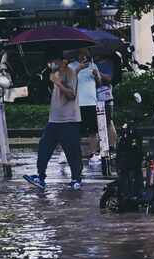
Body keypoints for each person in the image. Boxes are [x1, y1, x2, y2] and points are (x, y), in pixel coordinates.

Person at [23, 50, 82, 190]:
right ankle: (40, 176)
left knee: (72, 152)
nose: (51, 64)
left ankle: (76, 179)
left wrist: (58, 83)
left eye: (54, 61)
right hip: (54, 120)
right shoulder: (53, 75)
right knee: (44, 148)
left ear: (63, 61)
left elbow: (71, 95)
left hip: (69, 120)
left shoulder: (70, 73)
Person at [68, 48, 102, 163]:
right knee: (76, 131)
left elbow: (99, 84)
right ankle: (74, 154)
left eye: (86, 54)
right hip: (78, 103)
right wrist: (78, 69)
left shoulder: (93, 65)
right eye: (81, 53)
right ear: (78, 54)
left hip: (92, 102)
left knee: (93, 131)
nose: (84, 56)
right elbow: (69, 81)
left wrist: (97, 75)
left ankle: (93, 154)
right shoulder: (72, 66)